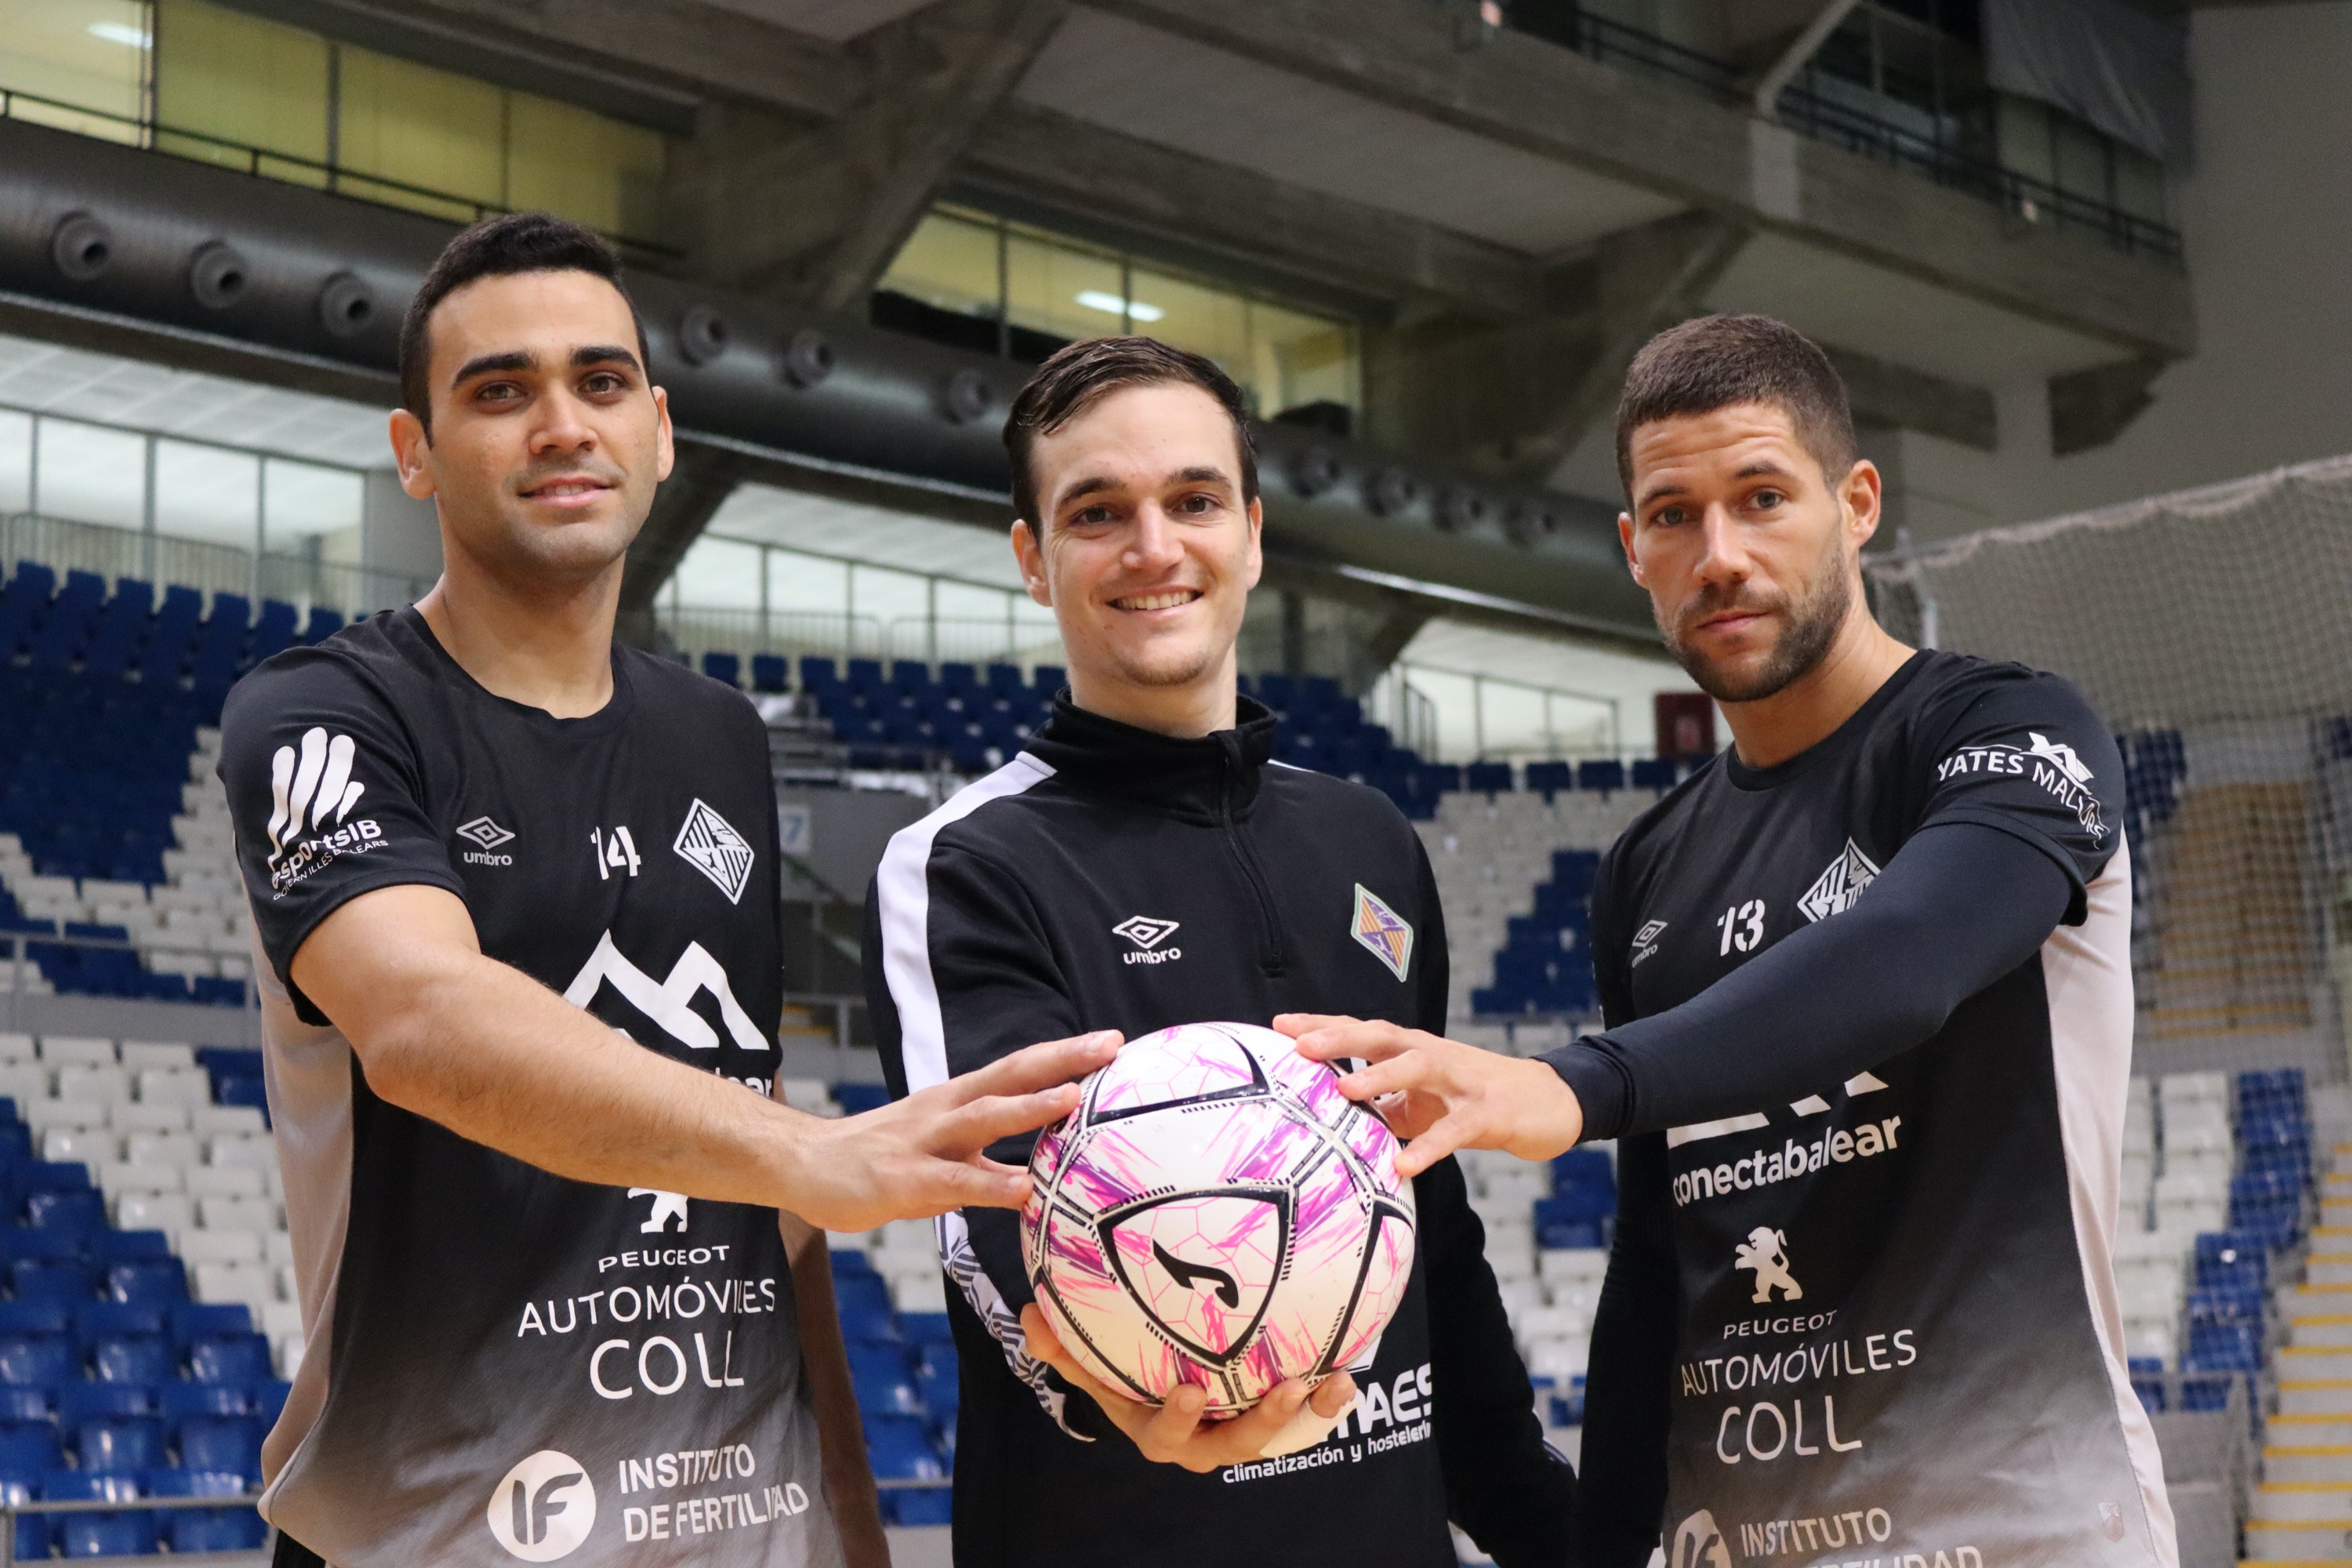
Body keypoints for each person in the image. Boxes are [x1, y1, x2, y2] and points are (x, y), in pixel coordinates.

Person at [218, 212, 1116, 1568]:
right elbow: (420, 1020)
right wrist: (810, 1153)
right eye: (500, 391)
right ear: (415, 452)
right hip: (444, 1531)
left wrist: (848, 1520)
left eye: (601, 381)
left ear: (660, 430)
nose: (562, 425)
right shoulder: (322, 714)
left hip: (742, 1531)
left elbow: (759, 1153)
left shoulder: (719, 737)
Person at [1280, 314, 2175, 1567]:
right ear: (1632, 550)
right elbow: (1657, 1258)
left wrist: (1574, 1084)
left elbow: (1910, 958)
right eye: (1673, 516)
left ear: (1856, 505)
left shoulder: (2008, 729)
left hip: (2021, 1523)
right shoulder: (1648, 866)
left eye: (1763, 498)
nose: (1720, 557)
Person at [863, 336, 1575, 1567]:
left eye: (1193, 501)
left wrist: (1549, 1527)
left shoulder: (1368, 837)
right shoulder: (968, 862)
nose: (1154, 548)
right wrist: (1109, 1395)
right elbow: (987, 1213)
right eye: (1098, 513)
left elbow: (1430, 1210)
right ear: (1033, 558)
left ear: (1249, 535)